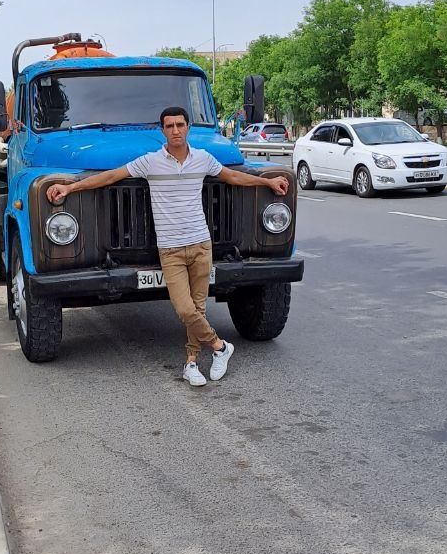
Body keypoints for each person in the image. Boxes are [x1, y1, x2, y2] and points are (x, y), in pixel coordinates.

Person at [46, 107, 290, 387]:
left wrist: (266, 181)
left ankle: (191, 364)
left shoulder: (203, 159)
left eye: (180, 125)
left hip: (200, 244)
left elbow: (234, 177)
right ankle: (221, 347)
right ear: (162, 130)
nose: (175, 130)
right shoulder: (150, 162)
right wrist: (70, 188)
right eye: (169, 125)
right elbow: (110, 177)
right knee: (185, 310)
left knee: (197, 308)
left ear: (188, 128)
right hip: (171, 249)